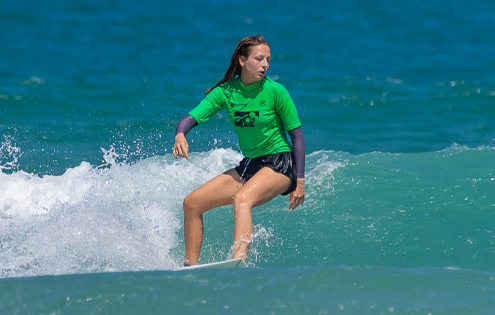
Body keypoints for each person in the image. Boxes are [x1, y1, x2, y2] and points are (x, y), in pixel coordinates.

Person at [173, 35, 305, 266]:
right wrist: (180, 134)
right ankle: (190, 267)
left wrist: (299, 181)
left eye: (268, 60)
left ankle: (237, 262)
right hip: (251, 164)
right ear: (243, 61)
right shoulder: (226, 92)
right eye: (259, 58)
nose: (265, 65)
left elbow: (297, 137)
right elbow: (191, 117)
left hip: (280, 164)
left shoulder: (276, 91)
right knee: (192, 203)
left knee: (242, 198)